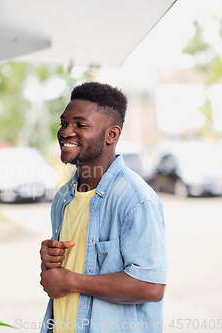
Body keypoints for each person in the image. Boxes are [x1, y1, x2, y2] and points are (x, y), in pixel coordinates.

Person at [39, 82, 168, 333]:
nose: (66, 132)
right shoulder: (63, 198)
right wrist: (50, 259)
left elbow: (151, 287)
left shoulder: (136, 200)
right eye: (64, 123)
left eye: (81, 125)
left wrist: (70, 281)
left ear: (112, 134)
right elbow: (69, 271)